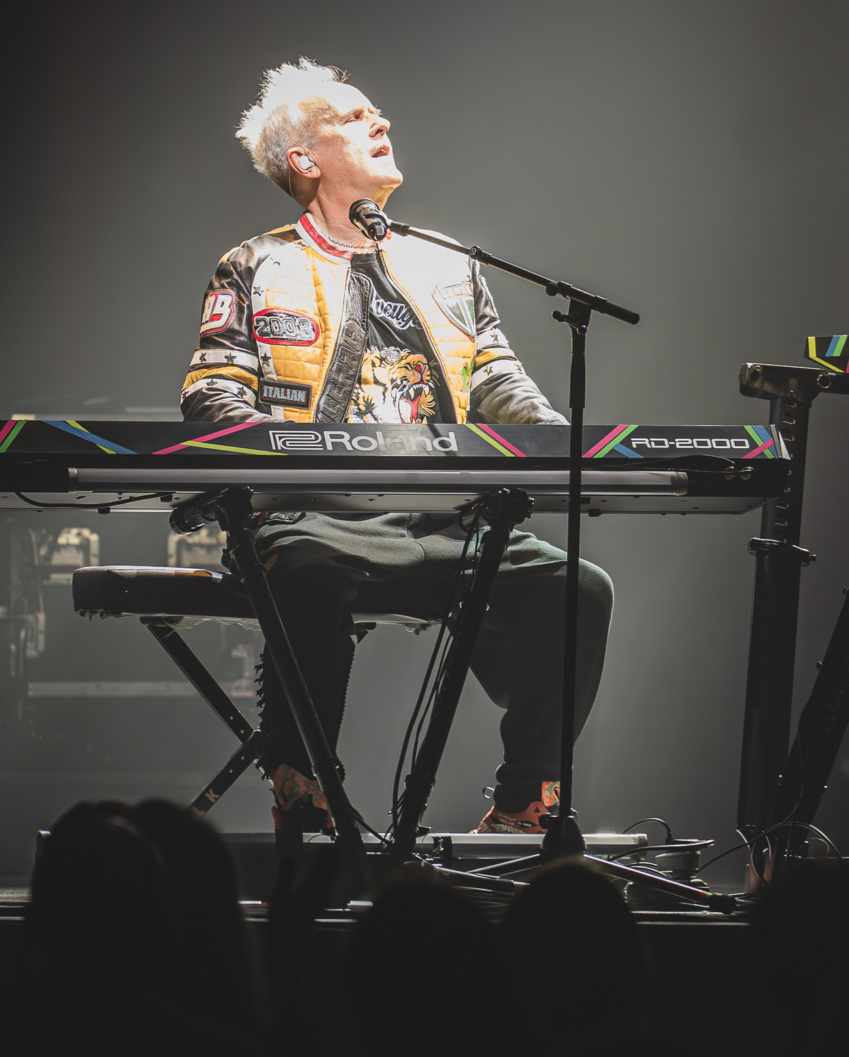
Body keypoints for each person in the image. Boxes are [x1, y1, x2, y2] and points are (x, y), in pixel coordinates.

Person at [182, 59, 613, 837]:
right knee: (307, 573)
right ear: (304, 161)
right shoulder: (254, 263)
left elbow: (502, 382)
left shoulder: (450, 261)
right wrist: (273, 458)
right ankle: (303, 790)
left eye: (379, 113)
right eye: (353, 118)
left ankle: (522, 802)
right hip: (312, 518)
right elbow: (211, 393)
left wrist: (565, 443)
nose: (381, 124)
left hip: (450, 522)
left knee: (578, 588)